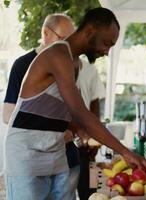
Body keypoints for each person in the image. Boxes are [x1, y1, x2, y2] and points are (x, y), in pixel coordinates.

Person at [4, 7, 146, 200]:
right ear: (90, 31)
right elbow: (81, 112)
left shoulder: (74, 62)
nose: (106, 52)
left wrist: (81, 132)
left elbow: (65, 112)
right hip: (27, 156)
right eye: (106, 43)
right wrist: (124, 151)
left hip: (54, 153)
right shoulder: (58, 54)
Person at [2, 13, 82, 200]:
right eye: (63, 39)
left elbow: (75, 110)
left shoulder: (73, 63)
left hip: (66, 158)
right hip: (32, 162)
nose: (68, 47)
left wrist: (74, 130)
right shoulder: (22, 65)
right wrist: (50, 133)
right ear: (46, 33)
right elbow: (7, 114)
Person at [75, 59, 106, 200]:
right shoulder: (54, 66)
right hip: (62, 139)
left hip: (84, 142)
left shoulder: (90, 70)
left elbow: (95, 105)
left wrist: (94, 137)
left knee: (87, 188)